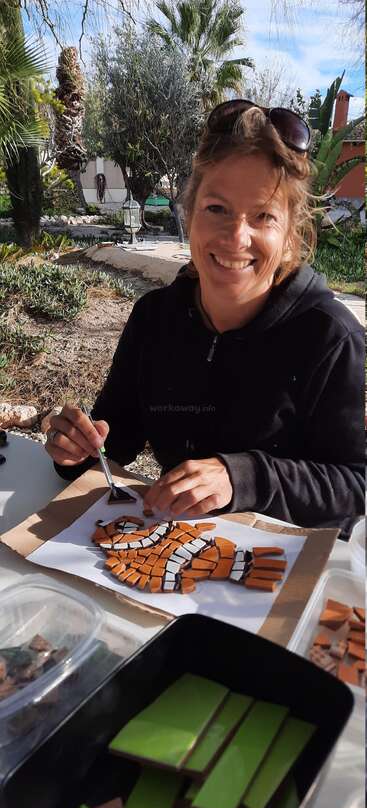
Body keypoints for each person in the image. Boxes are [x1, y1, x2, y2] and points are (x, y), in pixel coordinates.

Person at [45, 100, 364, 538]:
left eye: (263, 216)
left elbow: (355, 484)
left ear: (290, 232)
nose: (236, 237)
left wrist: (242, 477)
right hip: (168, 555)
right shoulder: (154, 320)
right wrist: (75, 449)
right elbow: (112, 444)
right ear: (189, 215)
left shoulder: (332, 338)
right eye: (217, 208)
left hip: (283, 573)